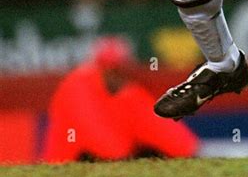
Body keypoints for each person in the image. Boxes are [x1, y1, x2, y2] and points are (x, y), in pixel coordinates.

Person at [44, 36, 198, 162]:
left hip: (108, 165)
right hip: (68, 167)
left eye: (120, 69)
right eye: (110, 70)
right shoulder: (77, 86)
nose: (117, 75)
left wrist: (187, 151)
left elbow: (179, 142)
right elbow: (106, 146)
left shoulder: (126, 92)